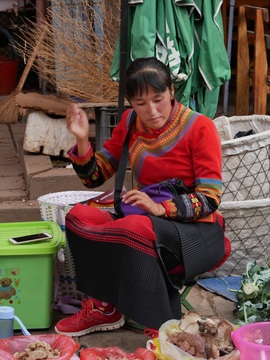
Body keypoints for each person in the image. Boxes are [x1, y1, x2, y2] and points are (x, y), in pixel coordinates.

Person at [55, 57, 231, 337]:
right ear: (130, 103)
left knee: (133, 227)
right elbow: (95, 177)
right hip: (146, 219)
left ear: (172, 91)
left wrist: (161, 209)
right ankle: (102, 307)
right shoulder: (130, 122)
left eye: (158, 99)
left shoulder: (200, 128)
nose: (151, 110)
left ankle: (161, 323)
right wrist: (82, 141)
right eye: (140, 103)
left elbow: (210, 198)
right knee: (79, 216)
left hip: (197, 232)